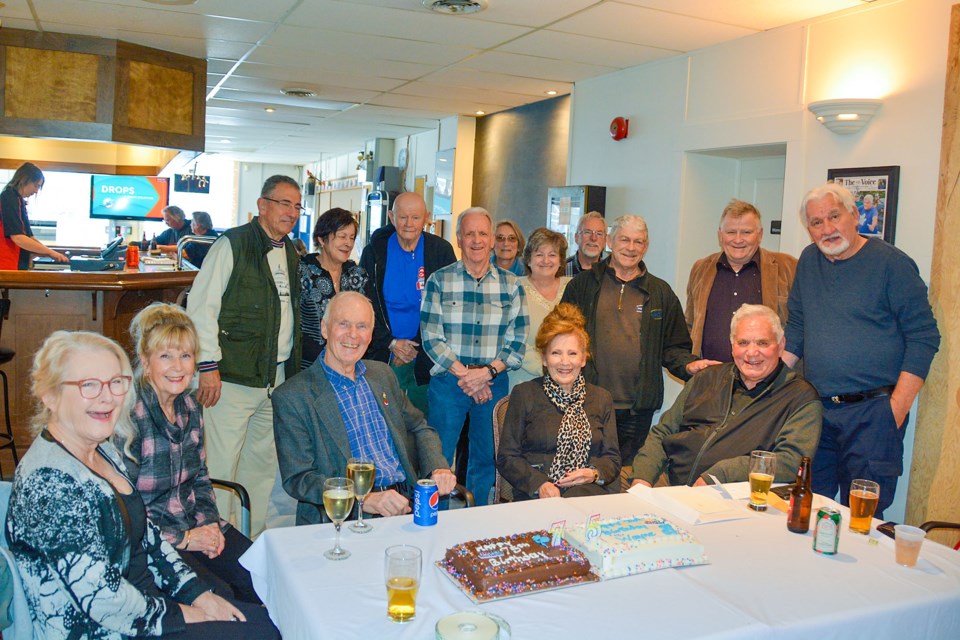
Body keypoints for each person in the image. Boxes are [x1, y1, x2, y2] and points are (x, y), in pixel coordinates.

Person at [5, 330, 278, 639]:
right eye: (88, 385)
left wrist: (196, 593)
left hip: (144, 602)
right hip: (102, 630)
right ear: (50, 395)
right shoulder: (51, 482)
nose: (107, 397)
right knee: (261, 631)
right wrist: (188, 613)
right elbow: (103, 600)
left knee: (264, 617)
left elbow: (150, 539)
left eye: (116, 382)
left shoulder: (102, 451)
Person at [783, 183, 940, 517]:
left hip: (874, 413)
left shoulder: (891, 264)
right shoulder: (809, 261)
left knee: (862, 518)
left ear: (855, 216)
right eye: (816, 222)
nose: (827, 229)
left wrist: (896, 409)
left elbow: (924, 336)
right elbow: (796, 327)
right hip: (817, 409)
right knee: (810, 507)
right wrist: (773, 387)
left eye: (834, 216)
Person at [273, 292, 457, 525]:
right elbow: (299, 478)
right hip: (346, 516)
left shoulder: (382, 375)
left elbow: (420, 427)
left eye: (362, 326)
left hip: (406, 504)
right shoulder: (293, 396)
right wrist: (365, 498)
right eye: (343, 324)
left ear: (370, 336)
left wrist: (438, 467)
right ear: (324, 329)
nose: (353, 335)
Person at [186, 174, 303, 536]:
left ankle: (250, 543)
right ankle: (217, 543)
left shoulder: (291, 253)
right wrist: (207, 367)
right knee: (221, 469)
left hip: (274, 379)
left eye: (297, 206)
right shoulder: (232, 245)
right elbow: (201, 307)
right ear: (262, 205)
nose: (292, 212)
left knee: (260, 469)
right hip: (231, 379)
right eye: (285, 203)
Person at [122, 303, 259, 604]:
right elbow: (123, 510)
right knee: (221, 596)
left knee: (261, 573)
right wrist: (184, 539)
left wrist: (209, 523)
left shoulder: (190, 407)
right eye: (166, 356)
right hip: (153, 541)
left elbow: (199, 477)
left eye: (185, 355)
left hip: (195, 522)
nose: (178, 366)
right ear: (145, 362)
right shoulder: (129, 418)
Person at [561, 214, 717, 470]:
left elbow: (675, 347)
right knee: (584, 472)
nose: (631, 248)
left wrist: (688, 366)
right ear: (610, 241)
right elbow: (562, 337)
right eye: (624, 239)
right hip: (588, 402)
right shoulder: (582, 286)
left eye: (638, 242)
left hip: (637, 409)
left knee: (625, 475)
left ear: (645, 247)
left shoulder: (660, 293)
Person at [630, 305, 821, 487]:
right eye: (743, 343)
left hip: (735, 496)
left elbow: (791, 462)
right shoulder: (707, 377)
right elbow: (663, 432)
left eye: (762, 343)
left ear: (780, 346)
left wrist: (723, 472)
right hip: (670, 481)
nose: (752, 353)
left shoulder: (799, 396)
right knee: (608, 495)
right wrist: (642, 479)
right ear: (732, 346)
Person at [421, 207, 529, 506]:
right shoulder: (439, 281)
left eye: (483, 233)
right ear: (458, 239)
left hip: (493, 384)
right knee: (438, 461)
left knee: (487, 460)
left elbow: (517, 342)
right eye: (469, 233)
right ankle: (433, 520)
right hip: (448, 384)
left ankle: (475, 523)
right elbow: (431, 337)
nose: (477, 240)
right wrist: (466, 374)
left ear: (492, 239)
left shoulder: (511, 285)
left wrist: (486, 373)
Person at [498, 303, 620, 499]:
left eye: (572, 353)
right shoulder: (525, 394)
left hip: (589, 495)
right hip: (538, 495)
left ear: (583, 359)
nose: (565, 362)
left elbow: (612, 459)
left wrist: (593, 473)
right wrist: (540, 484)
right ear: (545, 359)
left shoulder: (601, 398)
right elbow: (507, 457)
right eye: (556, 353)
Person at [359, 192, 456, 415]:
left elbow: (450, 307)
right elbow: (366, 303)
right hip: (383, 353)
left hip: (428, 355)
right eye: (403, 217)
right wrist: (392, 343)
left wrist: (415, 347)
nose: (409, 224)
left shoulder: (441, 251)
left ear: (427, 218)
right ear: (392, 217)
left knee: (421, 425)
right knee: (383, 422)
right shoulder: (374, 252)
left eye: (415, 217)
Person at [686, 199, 797, 362]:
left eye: (746, 232)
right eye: (731, 232)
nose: (738, 240)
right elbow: (690, 324)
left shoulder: (788, 267)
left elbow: (799, 326)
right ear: (720, 234)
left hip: (767, 380)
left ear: (760, 235)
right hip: (711, 378)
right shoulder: (701, 268)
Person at [299, 207, 368, 369]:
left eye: (352, 238)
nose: (348, 243)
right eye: (342, 236)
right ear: (322, 239)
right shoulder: (303, 271)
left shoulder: (356, 275)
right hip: (309, 366)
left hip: (350, 363)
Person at [509, 227, 571, 390]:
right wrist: (547, 367)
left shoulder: (572, 287)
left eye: (552, 255)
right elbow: (510, 336)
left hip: (566, 381)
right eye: (539, 254)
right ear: (528, 259)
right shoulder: (514, 288)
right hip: (524, 382)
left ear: (560, 260)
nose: (546, 260)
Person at [0, 162, 68, 270]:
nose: (36, 190)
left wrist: (49, 252)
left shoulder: (18, 200)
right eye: (36, 185)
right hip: (6, 264)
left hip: (15, 263)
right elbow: (18, 237)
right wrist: (50, 252)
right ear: (24, 180)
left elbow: (29, 237)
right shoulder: (9, 197)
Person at [565, 211, 607, 276]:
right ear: (576, 237)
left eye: (599, 234)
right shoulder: (561, 270)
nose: (593, 238)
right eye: (587, 232)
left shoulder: (611, 273)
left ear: (605, 240)